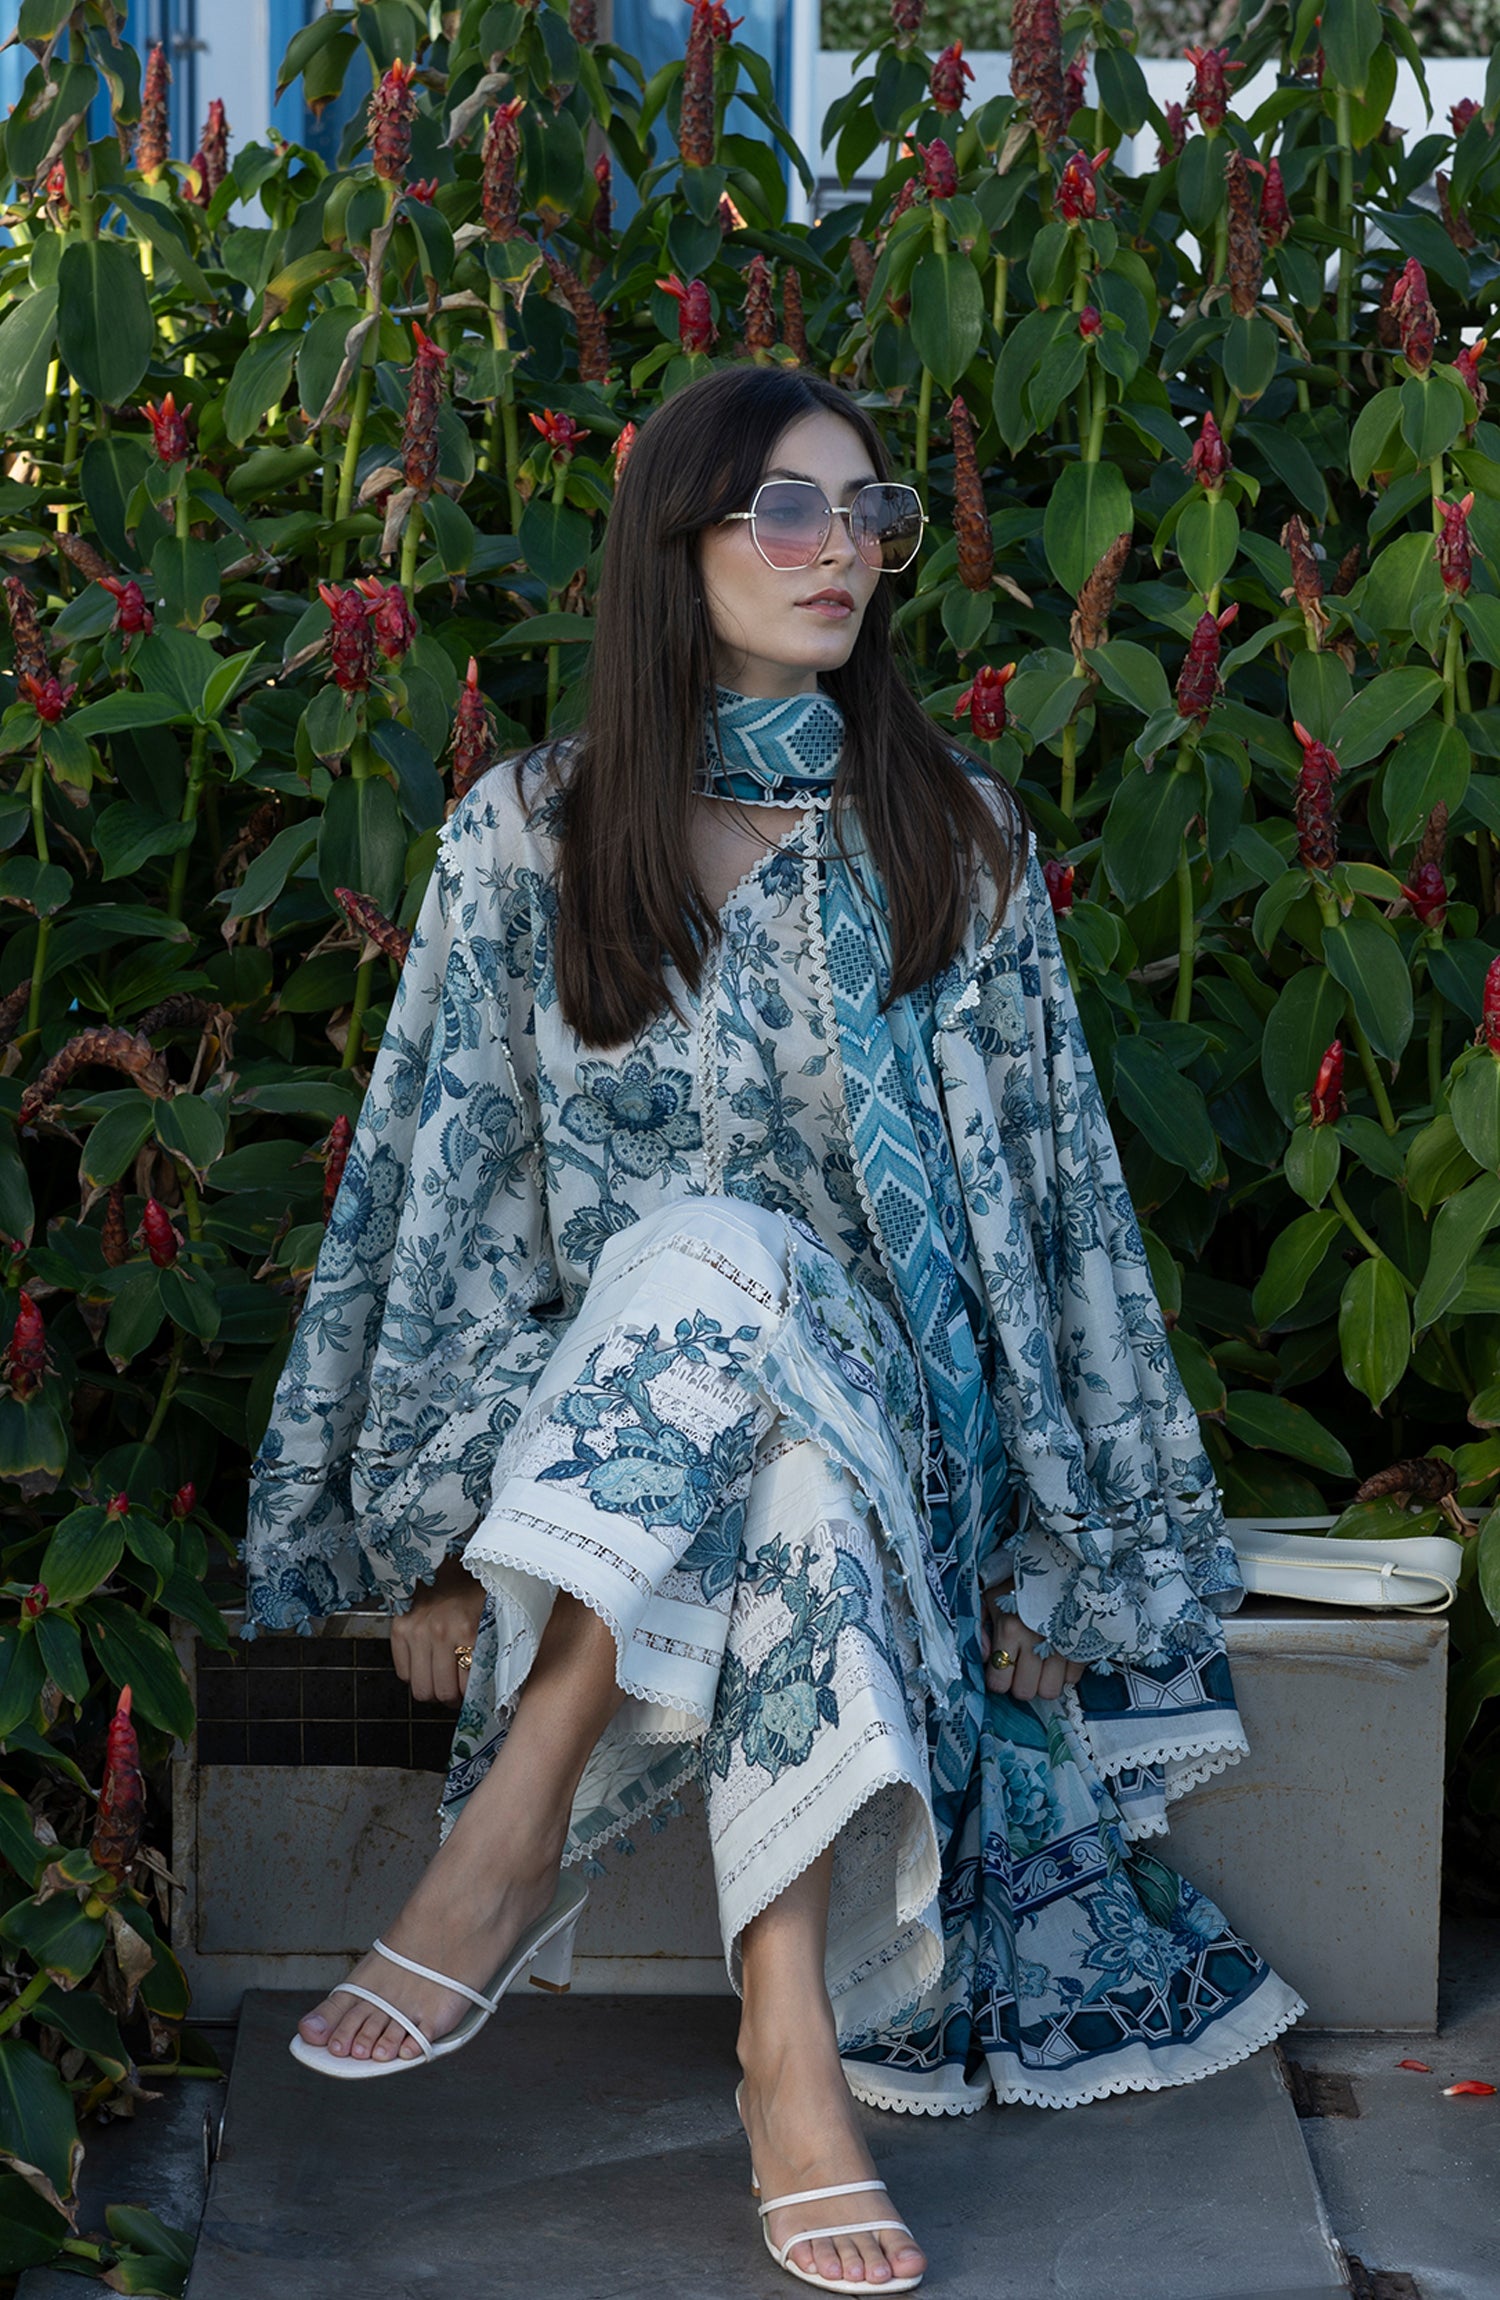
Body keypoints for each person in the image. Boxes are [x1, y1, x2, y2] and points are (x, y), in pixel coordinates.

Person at [243, 364, 1305, 2294]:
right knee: (761, 1407)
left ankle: (511, 1828)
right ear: (680, 544)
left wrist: (1058, 1553)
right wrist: (441, 1539)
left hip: (904, 1419)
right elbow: (446, 1199)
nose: (848, 553)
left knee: (740, 1274)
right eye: (790, 512)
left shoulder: (953, 837)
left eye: (872, 512)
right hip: (622, 1428)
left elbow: (1059, 1207)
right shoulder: (530, 836)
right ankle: (789, 2063)